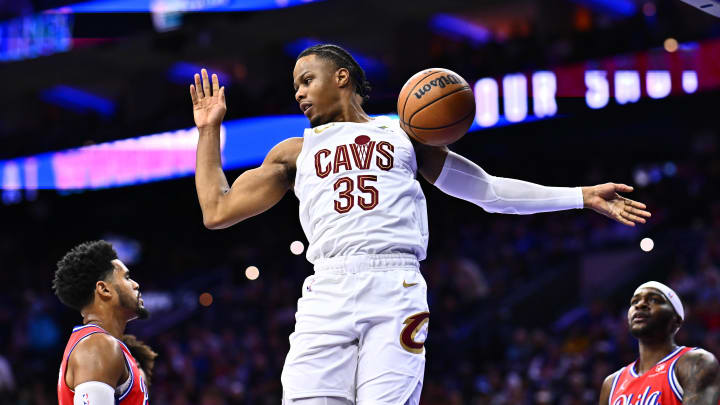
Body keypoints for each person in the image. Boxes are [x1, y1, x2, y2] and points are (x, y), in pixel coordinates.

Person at [190, 44, 651, 405]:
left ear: (342, 77)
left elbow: (487, 192)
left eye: (308, 80)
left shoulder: (404, 135)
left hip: (395, 285)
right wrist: (209, 128)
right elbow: (217, 210)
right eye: (296, 86)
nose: (299, 92)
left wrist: (579, 197)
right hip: (326, 288)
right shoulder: (294, 151)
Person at [53, 240, 150, 405]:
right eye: (127, 277)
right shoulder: (97, 347)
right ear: (104, 289)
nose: (136, 284)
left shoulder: (97, 343)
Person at [599, 281, 720, 405]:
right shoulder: (612, 383)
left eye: (655, 300)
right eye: (634, 302)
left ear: (676, 320)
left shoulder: (696, 362)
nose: (640, 305)